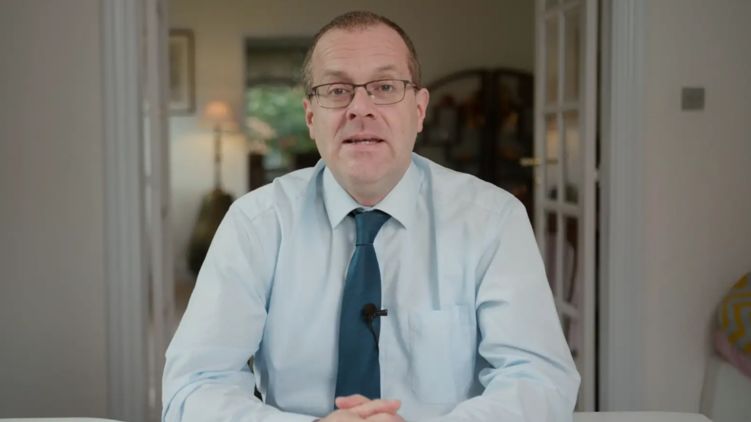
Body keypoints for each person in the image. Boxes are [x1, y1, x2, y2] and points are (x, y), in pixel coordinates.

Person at [163, 11, 580, 422]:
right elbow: (193, 387)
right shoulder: (255, 223)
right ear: (311, 116)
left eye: (384, 87)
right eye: (337, 90)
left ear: (419, 110)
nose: (360, 108)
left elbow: (540, 379)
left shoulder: (493, 220)